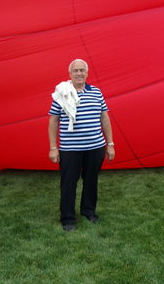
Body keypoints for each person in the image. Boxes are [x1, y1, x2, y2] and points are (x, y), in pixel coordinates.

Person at [48, 59, 115, 232]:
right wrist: (53, 147)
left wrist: (110, 144)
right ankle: (68, 218)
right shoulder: (61, 93)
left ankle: (88, 211)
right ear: (70, 74)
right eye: (75, 70)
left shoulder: (96, 92)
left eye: (82, 70)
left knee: (91, 181)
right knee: (69, 183)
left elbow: (105, 118)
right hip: (70, 149)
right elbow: (53, 120)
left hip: (95, 147)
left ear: (86, 73)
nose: (79, 73)